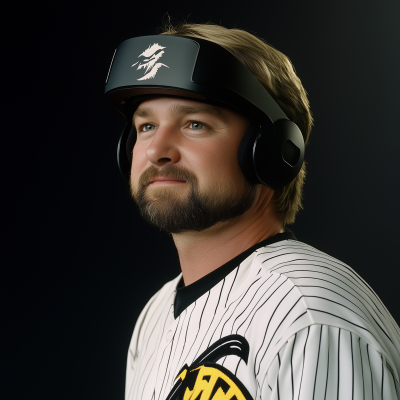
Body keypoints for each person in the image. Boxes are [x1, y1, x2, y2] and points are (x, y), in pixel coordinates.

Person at [105, 22, 400, 400]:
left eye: (195, 124)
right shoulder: (157, 313)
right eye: (146, 125)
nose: (156, 149)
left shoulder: (309, 314)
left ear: (272, 152)